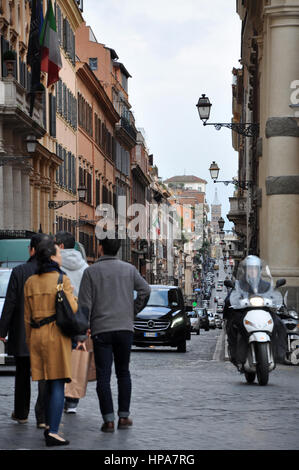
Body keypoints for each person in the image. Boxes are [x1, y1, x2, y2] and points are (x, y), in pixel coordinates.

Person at [78, 232, 151, 433]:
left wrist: (82, 332)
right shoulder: (129, 269)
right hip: (125, 328)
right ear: (117, 249)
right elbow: (145, 291)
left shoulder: (91, 272)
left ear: (100, 248)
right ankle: (124, 417)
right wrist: (132, 311)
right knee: (123, 372)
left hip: (101, 329)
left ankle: (108, 420)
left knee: (103, 375)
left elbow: (84, 306)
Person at [24, 237, 79, 446]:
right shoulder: (61, 280)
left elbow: (26, 317)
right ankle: (53, 430)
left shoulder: (30, 282)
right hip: (56, 335)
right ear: (51, 257)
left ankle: (46, 423)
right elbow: (72, 309)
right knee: (57, 382)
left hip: (36, 336)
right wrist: (72, 294)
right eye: (58, 253)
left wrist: (30, 341)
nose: (61, 256)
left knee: (44, 381)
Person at [0, 233, 49, 428]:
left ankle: (21, 413)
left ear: (32, 250)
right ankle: (43, 418)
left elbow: (10, 303)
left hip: (23, 333)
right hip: (46, 333)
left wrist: (2, 330)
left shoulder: (19, 271)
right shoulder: (52, 273)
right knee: (44, 374)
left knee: (22, 374)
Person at [223, 255, 287, 366]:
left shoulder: (266, 285)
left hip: (264, 312)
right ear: (246, 270)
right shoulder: (239, 284)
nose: (253, 271)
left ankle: (280, 353)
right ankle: (236, 355)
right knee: (233, 325)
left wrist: (276, 301)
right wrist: (232, 301)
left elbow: (273, 295)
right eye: (250, 268)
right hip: (245, 313)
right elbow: (230, 298)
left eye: (255, 268)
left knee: (279, 324)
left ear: (259, 270)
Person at [55, 231, 88, 414]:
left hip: (59, 317)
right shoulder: (84, 266)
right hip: (78, 319)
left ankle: (57, 395)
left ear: (60, 246)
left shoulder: (55, 265)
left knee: (58, 358)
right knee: (75, 358)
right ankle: (72, 401)